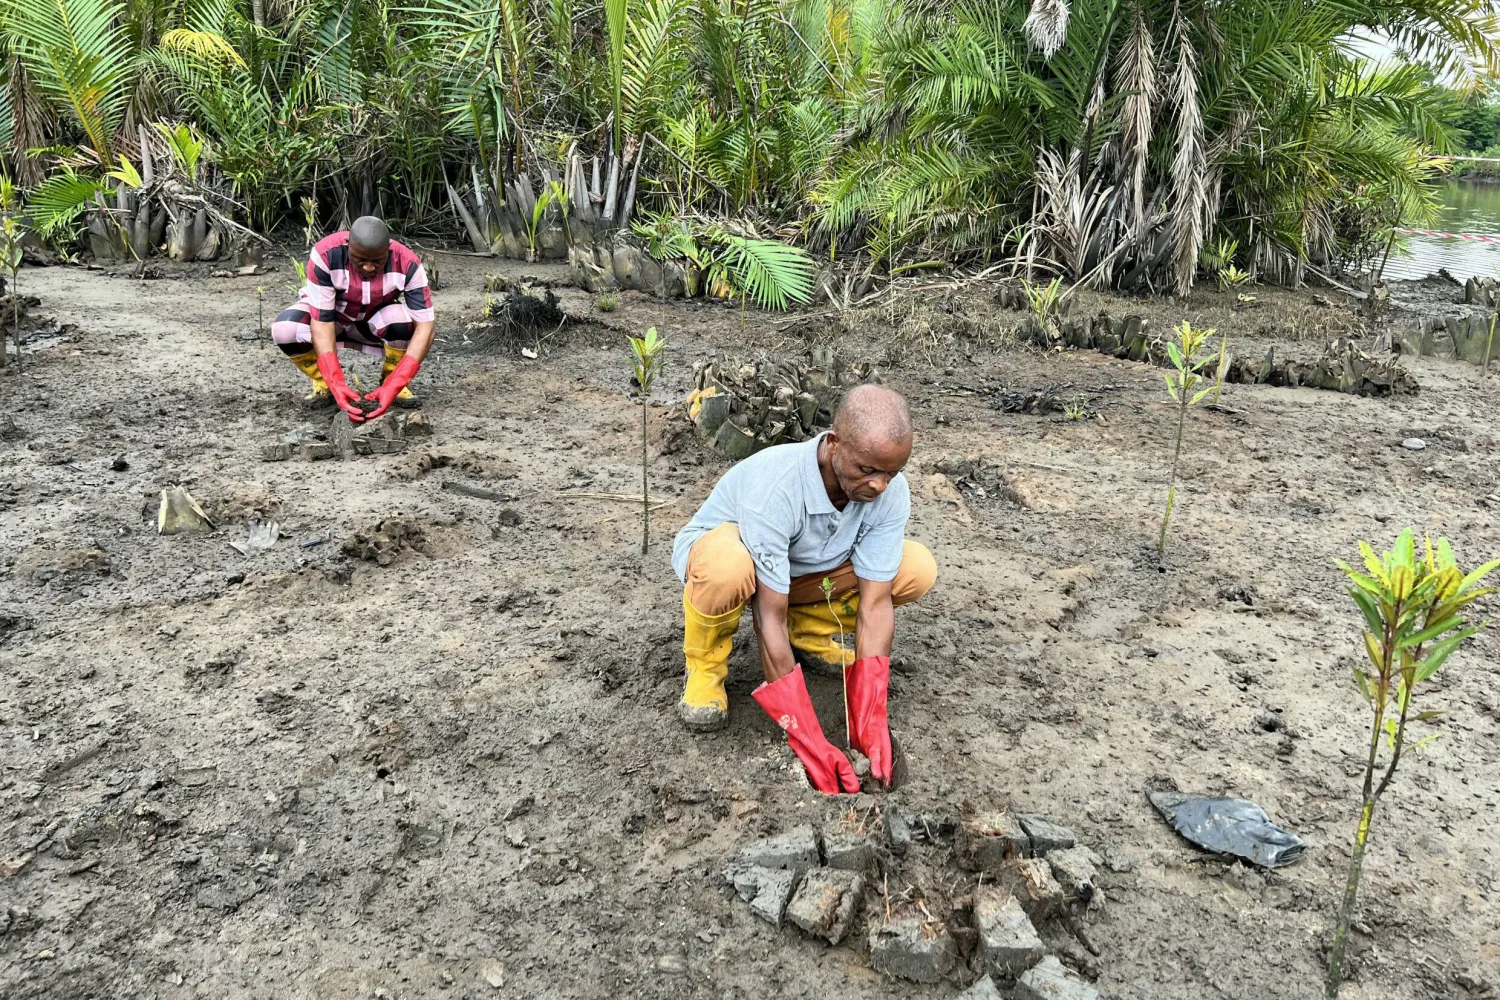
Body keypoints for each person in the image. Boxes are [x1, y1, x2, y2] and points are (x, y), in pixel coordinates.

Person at [671, 384, 936, 793]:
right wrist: (805, 733)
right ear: (833, 445)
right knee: (727, 568)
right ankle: (705, 667)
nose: (880, 486)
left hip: (805, 572)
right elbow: (767, 615)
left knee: (915, 567)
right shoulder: (778, 487)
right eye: (868, 470)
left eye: (892, 472)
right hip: (734, 562)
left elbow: (876, 603)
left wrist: (869, 716)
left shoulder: (889, 492)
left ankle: (811, 634)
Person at [272, 216, 436, 422]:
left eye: (377, 261)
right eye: (361, 259)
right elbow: (321, 322)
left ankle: (392, 382)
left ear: (389, 250)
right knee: (286, 329)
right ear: (348, 247)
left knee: (402, 321)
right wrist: (336, 381)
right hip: (333, 321)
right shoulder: (325, 255)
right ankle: (325, 384)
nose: (369, 267)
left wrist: (396, 384)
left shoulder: (408, 263)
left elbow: (426, 329)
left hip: (375, 322)